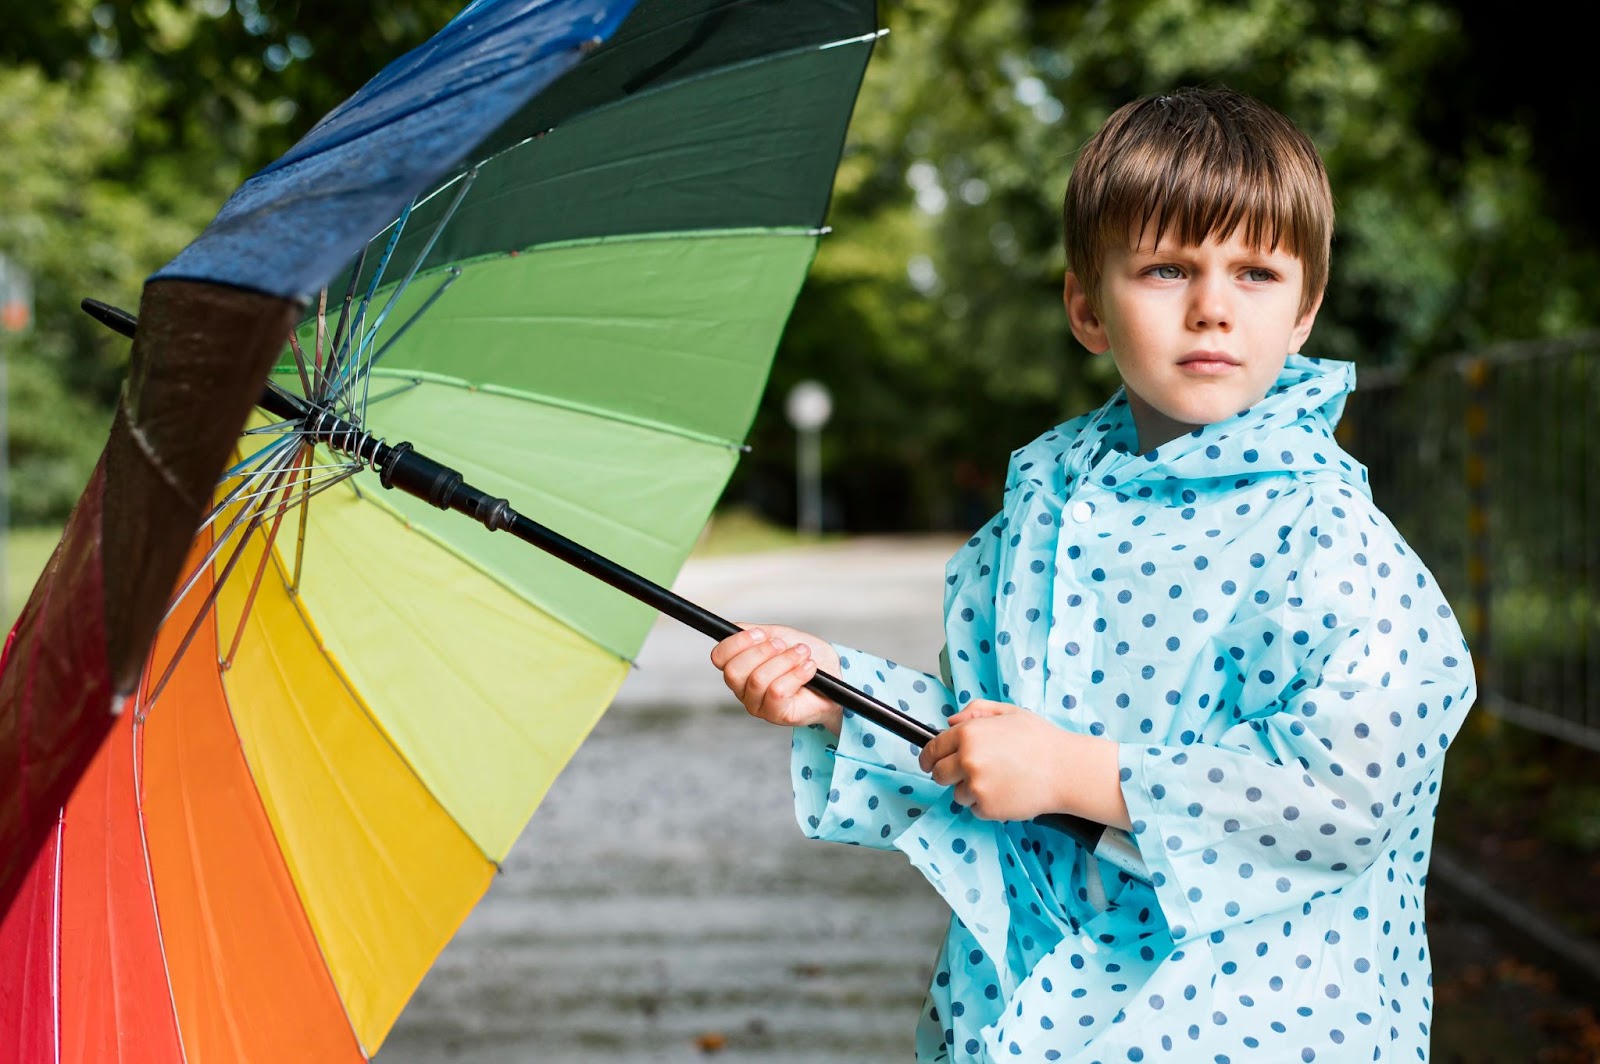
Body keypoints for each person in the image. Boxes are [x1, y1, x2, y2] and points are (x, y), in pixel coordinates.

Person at [710, 86, 1475, 1062]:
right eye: (1165, 268)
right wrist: (837, 695)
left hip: (1250, 1023)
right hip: (1034, 1011)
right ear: (1087, 304)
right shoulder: (1033, 517)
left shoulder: (1329, 540)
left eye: (1254, 271)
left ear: (1303, 310)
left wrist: (1081, 770)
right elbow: (986, 752)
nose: (1211, 306)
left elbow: (1342, 793)